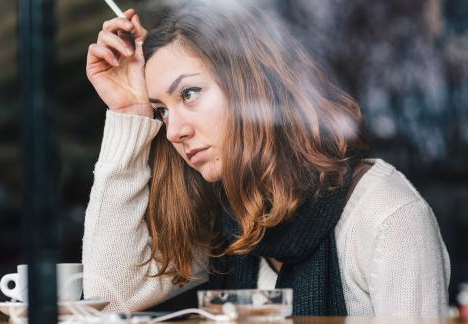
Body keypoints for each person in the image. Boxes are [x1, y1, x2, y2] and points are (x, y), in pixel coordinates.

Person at [83, 0, 450, 317]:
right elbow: (112, 299)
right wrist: (130, 112)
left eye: (190, 93)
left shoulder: (385, 215)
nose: (174, 130)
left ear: (251, 88)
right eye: (161, 111)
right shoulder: (226, 218)